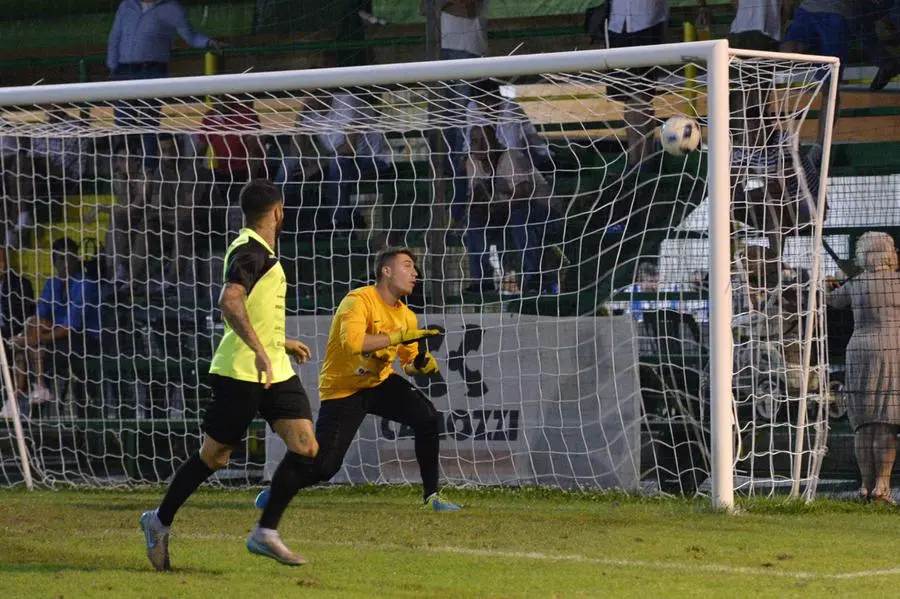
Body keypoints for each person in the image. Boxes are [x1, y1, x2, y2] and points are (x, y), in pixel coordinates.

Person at [138, 180, 318, 570]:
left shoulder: (260, 250)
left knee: (305, 447)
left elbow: (250, 306)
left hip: (272, 369)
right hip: (241, 370)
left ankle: (265, 531)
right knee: (214, 457)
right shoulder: (251, 250)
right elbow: (229, 301)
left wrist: (278, 342)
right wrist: (258, 350)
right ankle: (158, 520)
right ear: (278, 212)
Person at [253, 247, 461, 518]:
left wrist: (421, 365)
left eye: (415, 268)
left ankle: (431, 496)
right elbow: (353, 343)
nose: (415, 273)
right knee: (326, 467)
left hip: (378, 383)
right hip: (343, 389)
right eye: (407, 266)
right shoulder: (358, 300)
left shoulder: (406, 315)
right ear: (386, 271)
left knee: (427, 417)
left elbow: (409, 364)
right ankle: (280, 487)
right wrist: (399, 337)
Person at [827, 231, 900, 504]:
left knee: (863, 424)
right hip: (893, 349)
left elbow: (831, 300)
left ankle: (865, 487)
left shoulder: (856, 283)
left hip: (858, 350)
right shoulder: (897, 282)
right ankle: (882, 486)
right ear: (890, 253)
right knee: (886, 420)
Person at [106, 0, 224, 137]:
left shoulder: (172, 8)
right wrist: (113, 67)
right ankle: (127, 158)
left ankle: (149, 158)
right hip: (123, 72)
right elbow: (115, 37)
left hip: (152, 72)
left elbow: (190, 35)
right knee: (123, 126)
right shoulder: (126, 5)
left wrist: (208, 42)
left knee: (149, 126)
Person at [12, 237, 102, 409]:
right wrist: (34, 335)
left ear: (77, 259)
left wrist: (33, 340)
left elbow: (70, 328)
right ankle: (31, 390)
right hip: (57, 334)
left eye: (70, 257)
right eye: (61, 259)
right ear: (54, 262)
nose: (66, 263)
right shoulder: (51, 283)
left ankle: (22, 396)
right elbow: (39, 317)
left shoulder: (85, 284)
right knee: (31, 325)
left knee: (29, 345)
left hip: (83, 339)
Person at [605, 0, 670, 170]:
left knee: (640, 96)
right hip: (618, 25)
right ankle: (635, 157)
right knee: (628, 97)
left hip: (647, 24)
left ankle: (644, 158)